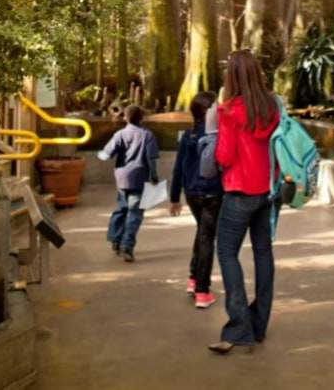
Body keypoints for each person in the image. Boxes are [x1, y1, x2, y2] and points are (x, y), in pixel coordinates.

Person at [208, 49, 280, 355]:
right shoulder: (272, 106)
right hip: (267, 191)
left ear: (231, 76)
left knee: (226, 253)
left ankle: (239, 328)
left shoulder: (229, 111)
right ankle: (258, 325)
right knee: (263, 253)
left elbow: (224, 156)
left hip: (239, 192)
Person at [169, 90, 222, 309]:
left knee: (202, 233)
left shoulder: (188, 136)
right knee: (207, 238)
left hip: (191, 194)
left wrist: (174, 198)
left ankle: (193, 278)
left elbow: (178, 168)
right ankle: (202, 291)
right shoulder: (217, 136)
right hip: (211, 194)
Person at [99, 104, 159, 262]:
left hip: (122, 178)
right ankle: (127, 245)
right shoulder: (148, 135)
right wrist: (154, 176)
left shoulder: (120, 134)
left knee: (121, 208)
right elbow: (151, 159)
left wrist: (99, 154)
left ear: (125, 117)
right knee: (135, 213)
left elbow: (106, 154)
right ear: (142, 118)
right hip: (139, 178)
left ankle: (115, 239)